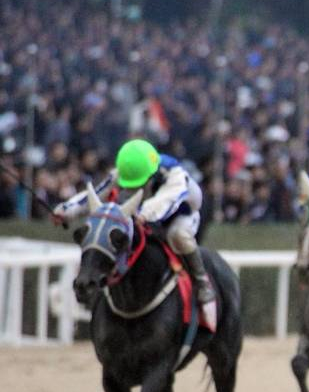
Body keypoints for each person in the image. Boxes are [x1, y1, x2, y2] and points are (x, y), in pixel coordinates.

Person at [53, 138, 217, 329]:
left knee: (177, 235)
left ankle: (202, 281)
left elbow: (166, 201)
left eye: (136, 183)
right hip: (144, 213)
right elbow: (97, 194)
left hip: (180, 215)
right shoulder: (127, 171)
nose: (130, 187)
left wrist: (145, 213)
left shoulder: (176, 176)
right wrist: (66, 210)